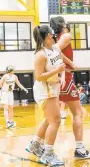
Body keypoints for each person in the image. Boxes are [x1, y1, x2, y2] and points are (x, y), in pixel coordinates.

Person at [50, 16, 90, 159]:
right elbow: (56, 49)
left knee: (51, 117)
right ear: (62, 24)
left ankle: (39, 145)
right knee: (77, 113)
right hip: (65, 76)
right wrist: (71, 63)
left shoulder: (55, 37)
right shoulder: (66, 36)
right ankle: (80, 148)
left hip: (56, 77)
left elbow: (54, 49)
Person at [25, 25, 68, 166]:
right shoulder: (40, 55)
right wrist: (57, 70)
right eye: (53, 33)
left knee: (49, 120)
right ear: (49, 35)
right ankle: (47, 154)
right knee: (55, 121)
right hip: (44, 89)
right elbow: (39, 76)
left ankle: (35, 144)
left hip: (53, 87)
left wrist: (63, 72)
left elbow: (61, 60)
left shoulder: (54, 49)